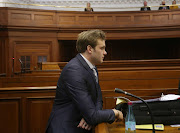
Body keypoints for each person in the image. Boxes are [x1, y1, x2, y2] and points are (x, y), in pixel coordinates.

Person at [45, 29, 123, 133]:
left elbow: (98, 99)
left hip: (82, 127)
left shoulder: (92, 67)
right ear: (90, 49)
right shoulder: (74, 70)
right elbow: (92, 115)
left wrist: (92, 116)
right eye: (102, 48)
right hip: (66, 128)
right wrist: (115, 113)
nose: (105, 52)